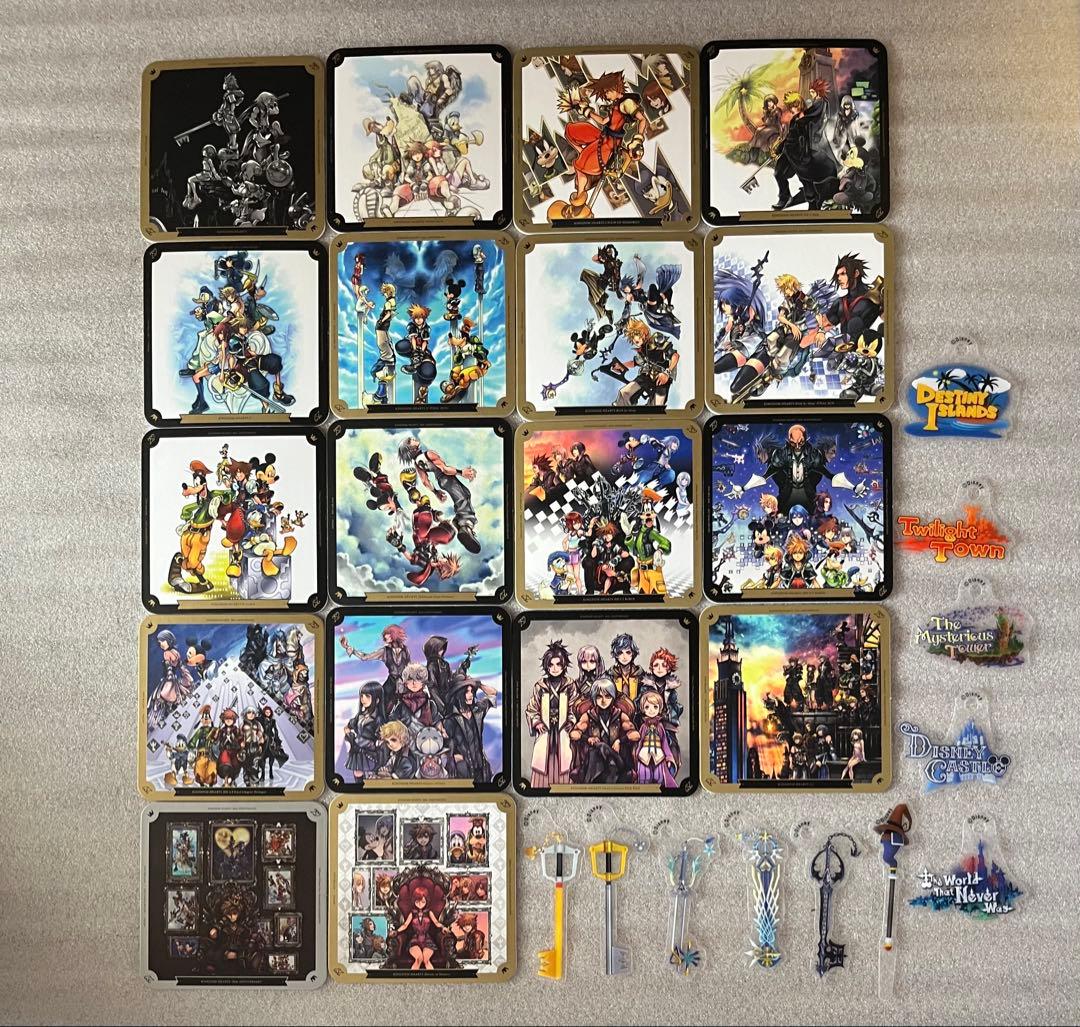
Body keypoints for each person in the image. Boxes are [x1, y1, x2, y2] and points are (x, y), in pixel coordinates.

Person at [525, 640, 576, 787]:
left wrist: (571, 721)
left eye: (558, 664)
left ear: (564, 665)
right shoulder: (540, 686)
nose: (554, 668)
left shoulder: (570, 685)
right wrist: (537, 722)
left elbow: (574, 706)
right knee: (543, 762)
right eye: (551, 665)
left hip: (563, 730)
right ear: (546, 666)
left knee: (565, 760)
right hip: (545, 729)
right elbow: (532, 708)